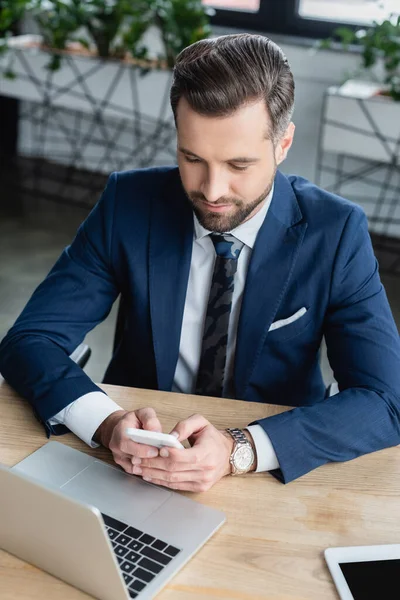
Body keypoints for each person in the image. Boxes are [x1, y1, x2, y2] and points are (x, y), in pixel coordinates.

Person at [1, 33, 400, 491]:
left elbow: (386, 401)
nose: (212, 191)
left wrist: (238, 448)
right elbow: (29, 339)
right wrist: (108, 424)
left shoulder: (336, 232)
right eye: (192, 158)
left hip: (270, 466)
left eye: (238, 165)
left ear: (283, 144)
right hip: (135, 461)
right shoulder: (128, 204)